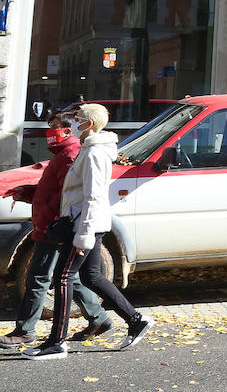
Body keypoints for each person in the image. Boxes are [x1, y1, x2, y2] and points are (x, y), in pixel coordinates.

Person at [23, 103, 151, 360]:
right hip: (86, 222)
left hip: (84, 224)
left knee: (62, 278)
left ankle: (56, 342)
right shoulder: (89, 149)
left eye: (77, 118)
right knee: (91, 277)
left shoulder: (94, 153)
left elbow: (93, 197)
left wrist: (84, 235)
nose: (72, 122)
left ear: (88, 124)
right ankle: (136, 320)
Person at [2, 111, 110, 348]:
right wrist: (27, 193)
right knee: (65, 277)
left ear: (69, 129)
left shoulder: (71, 154)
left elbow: (67, 196)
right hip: (49, 224)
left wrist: (47, 217)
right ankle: (99, 317)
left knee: (39, 277)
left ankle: (25, 330)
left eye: (55, 126)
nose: (50, 132)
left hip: (54, 226)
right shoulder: (63, 153)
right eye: (49, 126)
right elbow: (51, 190)